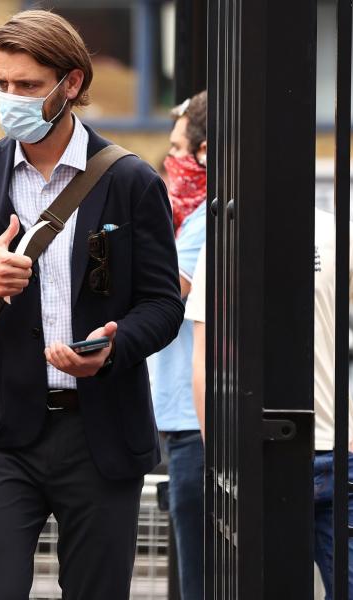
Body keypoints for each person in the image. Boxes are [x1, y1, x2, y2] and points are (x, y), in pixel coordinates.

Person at [0, 10, 184, 599]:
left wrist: (113, 348)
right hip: (4, 436)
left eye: (28, 86)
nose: (11, 99)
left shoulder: (132, 182)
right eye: (1, 85)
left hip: (102, 434)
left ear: (73, 84)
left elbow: (163, 306)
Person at [187, 215, 353, 599]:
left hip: (341, 460)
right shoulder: (224, 243)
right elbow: (206, 360)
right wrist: (217, 454)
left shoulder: (347, 237)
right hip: (259, 461)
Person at [150, 90, 207, 600]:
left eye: (177, 147)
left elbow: (170, 289)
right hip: (184, 418)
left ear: (204, 152)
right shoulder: (193, 218)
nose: (170, 160)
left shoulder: (205, 218)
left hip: (196, 422)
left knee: (198, 577)